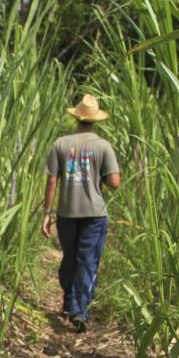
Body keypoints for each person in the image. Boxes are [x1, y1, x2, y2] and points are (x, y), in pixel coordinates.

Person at [41, 94, 120, 333]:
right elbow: (114, 182)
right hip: (94, 213)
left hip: (67, 213)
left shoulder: (60, 144)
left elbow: (52, 181)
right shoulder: (103, 146)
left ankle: (69, 302)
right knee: (87, 261)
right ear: (95, 120)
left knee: (70, 257)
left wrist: (47, 213)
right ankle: (78, 310)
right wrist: (100, 175)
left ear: (76, 117)